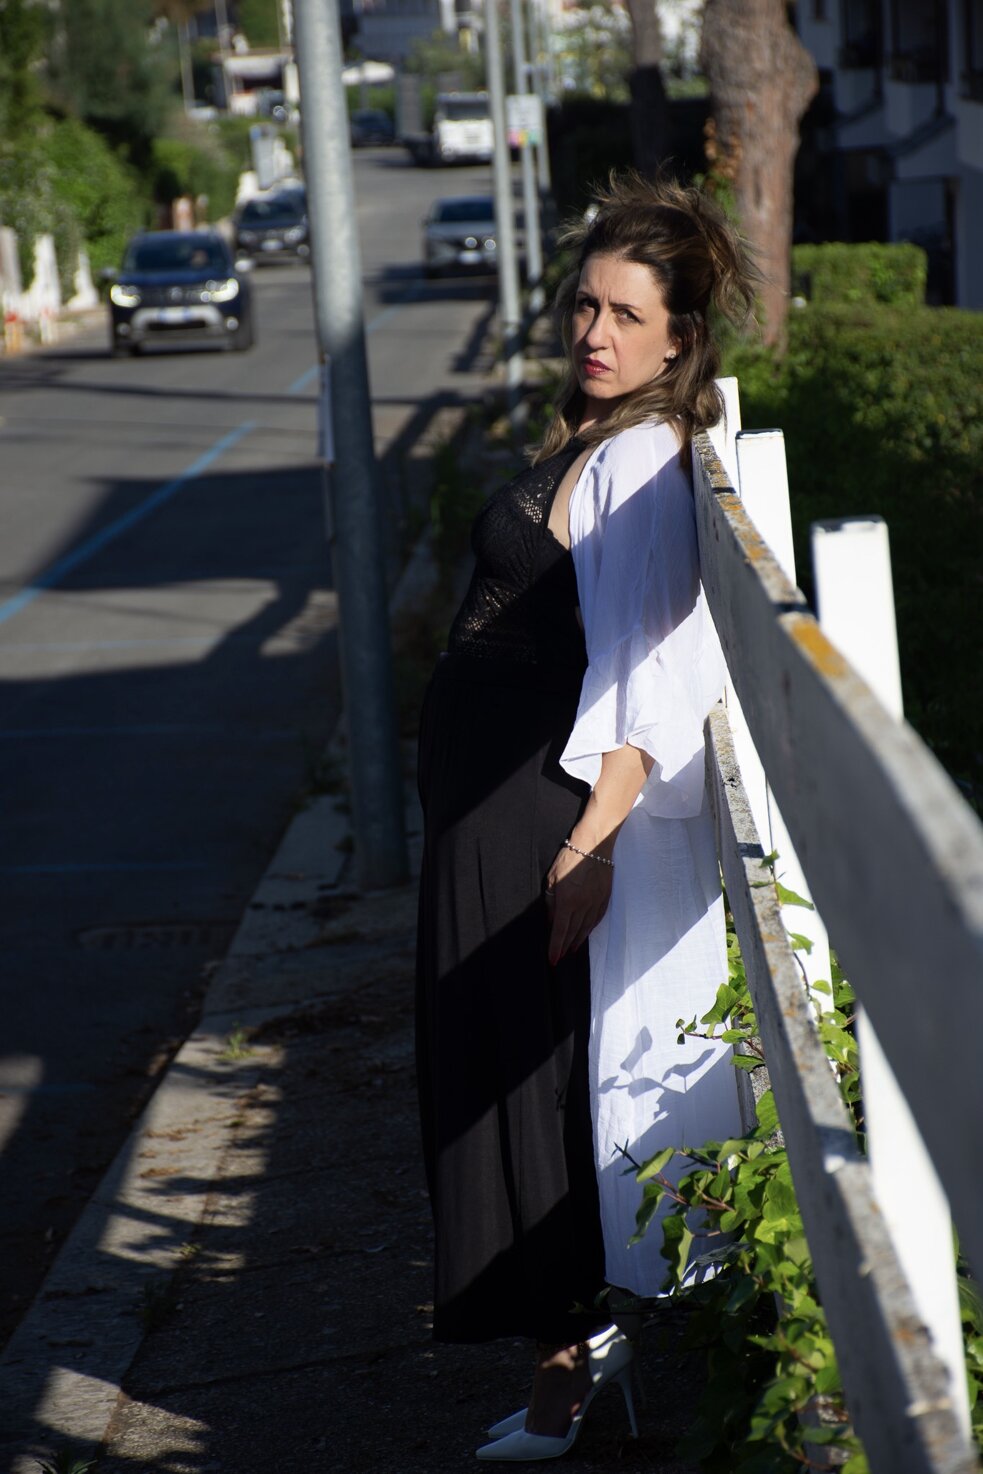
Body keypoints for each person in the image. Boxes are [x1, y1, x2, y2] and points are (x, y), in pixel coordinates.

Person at [415, 172, 759, 1462]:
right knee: (498, 1067)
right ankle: (565, 1359)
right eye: (585, 306)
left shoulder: (645, 458)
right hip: (487, 804)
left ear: (680, 337)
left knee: (527, 1086)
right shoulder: (597, 433)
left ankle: (567, 1378)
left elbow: (646, 678)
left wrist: (585, 845)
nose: (596, 333)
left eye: (626, 315)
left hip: (533, 816)